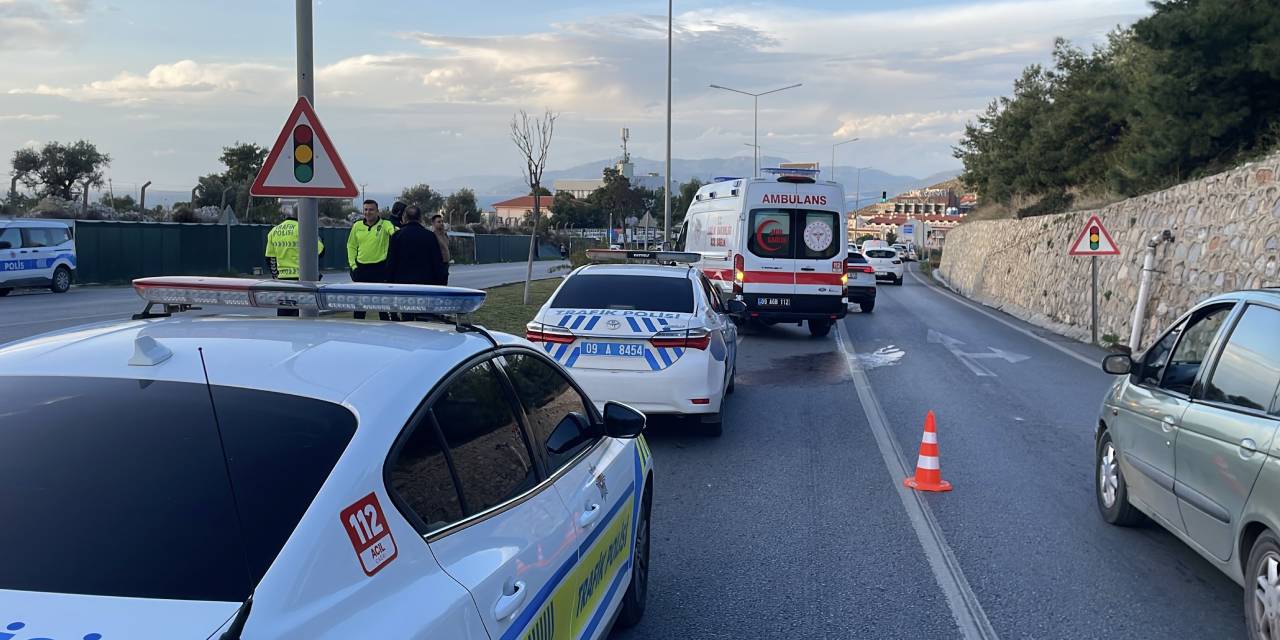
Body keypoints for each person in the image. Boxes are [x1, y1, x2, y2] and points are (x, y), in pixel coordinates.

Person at [265, 212, 325, 317]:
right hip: (303, 279)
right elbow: (320, 251)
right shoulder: (304, 229)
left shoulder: (274, 231)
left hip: (283, 280)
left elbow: (270, 258)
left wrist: (276, 277)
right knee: (302, 314)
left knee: (284, 313)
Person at [347, 199, 396, 320]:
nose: (368, 212)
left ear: (377, 211)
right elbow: (351, 246)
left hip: (380, 269)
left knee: (383, 305)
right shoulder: (357, 226)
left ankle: (387, 327)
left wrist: (396, 231)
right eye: (366, 210)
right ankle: (358, 329)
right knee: (359, 307)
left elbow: (393, 231)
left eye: (371, 210)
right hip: (361, 269)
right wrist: (353, 266)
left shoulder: (385, 224)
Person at [386, 205, 446, 293]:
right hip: (425, 285)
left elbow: (391, 262)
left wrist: (389, 284)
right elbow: (437, 262)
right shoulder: (429, 236)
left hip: (401, 285)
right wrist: (440, 284)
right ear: (420, 218)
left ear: (404, 218)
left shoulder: (397, 236)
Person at [430, 213, 451, 285]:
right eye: (439, 222)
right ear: (433, 223)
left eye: (442, 221)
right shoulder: (432, 235)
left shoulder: (445, 234)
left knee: (445, 284)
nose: (441, 223)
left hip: (446, 264)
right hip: (438, 265)